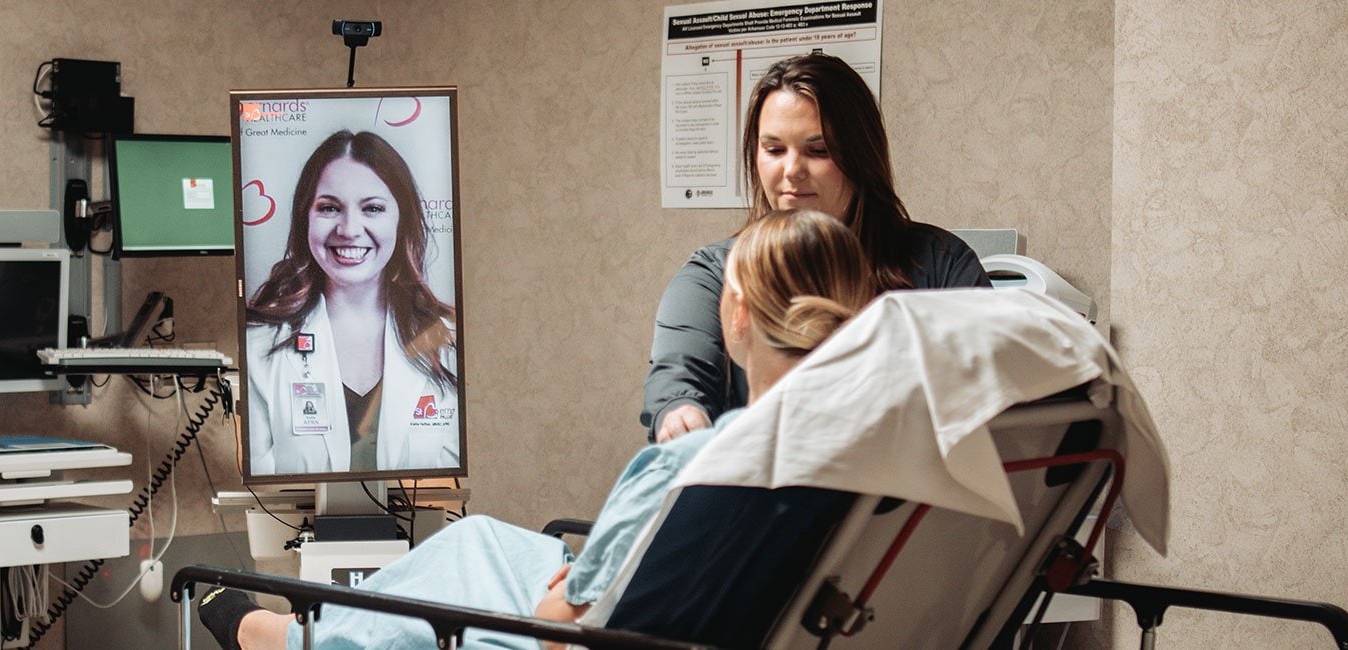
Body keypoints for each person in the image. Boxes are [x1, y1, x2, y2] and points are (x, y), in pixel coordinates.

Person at [199, 208, 874, 650]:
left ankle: (284, 637)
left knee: (445, 594)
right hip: (662, 610)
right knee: (477, 540)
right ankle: (305, 627)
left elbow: (559, 634)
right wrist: (587, 579)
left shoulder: (691, 464)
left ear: (737, 316)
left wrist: (569, 595)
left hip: (586, 635)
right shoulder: (850, 465)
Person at [641, 52, 992, 443]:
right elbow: (679, 374)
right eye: (774, 150)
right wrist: (680, 412)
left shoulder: (940, 261)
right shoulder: (715, 273)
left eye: (818, 150)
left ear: (860, 157)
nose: (792, 170)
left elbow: (996, 377)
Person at [245, 130, 459, 475]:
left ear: (400, 220)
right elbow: (265, 492)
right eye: (330, 208)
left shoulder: (445, 339)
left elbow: (448, 488)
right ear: (306, 219)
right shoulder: (258, 343)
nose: (349, 229)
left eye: (372, 208)